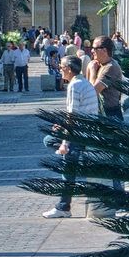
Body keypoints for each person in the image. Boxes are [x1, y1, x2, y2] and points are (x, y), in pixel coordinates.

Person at [43, 55, 99, 219]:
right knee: (50, 140)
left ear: (68, 69)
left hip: (80, 133)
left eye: (61, 67)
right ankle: (75, 157)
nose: (60, 70)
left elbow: (73, 116)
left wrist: (65, 143)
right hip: (85, 130)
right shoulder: (83, 82)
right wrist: (62, 126)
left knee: (68, 167)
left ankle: (63, 206)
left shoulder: (75, 85)